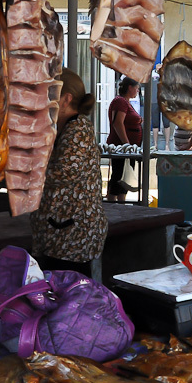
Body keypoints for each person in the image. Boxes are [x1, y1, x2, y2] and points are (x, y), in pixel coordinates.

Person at [30, 69, 108, 276]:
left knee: (68, 294)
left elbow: (65, 173)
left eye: (48, 93)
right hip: (60, 232)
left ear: (66, 99)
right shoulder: (63, 127)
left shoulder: (78, 129)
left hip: (71, 236)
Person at [106, 76, 143, 202]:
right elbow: (118, 123)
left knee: (125, 177)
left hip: (128, 149)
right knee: (119, 175)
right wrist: (126, 144)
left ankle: (121, 203)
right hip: (121, 147)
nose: (137, 91)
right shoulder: (120, 101)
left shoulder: (126, 102)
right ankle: (113, 203)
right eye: (136, 88)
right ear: (130, 87)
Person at [149, 64, 172, 150]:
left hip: (165, 102)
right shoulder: (152, 74)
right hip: (154, 101)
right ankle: (155, 144)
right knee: (155, 123)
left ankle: (167, 145)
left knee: (166, 123)